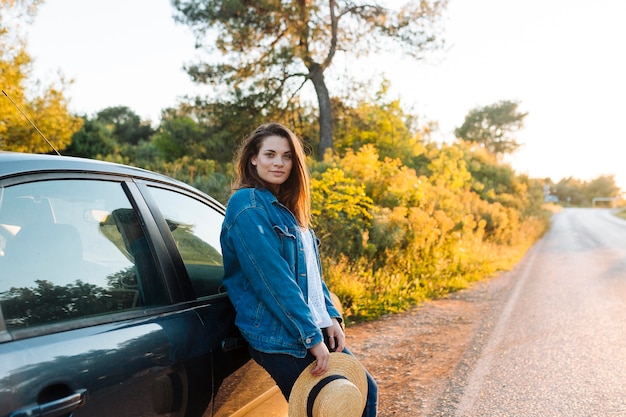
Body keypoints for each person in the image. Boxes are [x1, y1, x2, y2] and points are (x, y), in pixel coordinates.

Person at [220, 122, 378, 416]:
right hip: (283, 334)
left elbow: (310, 274)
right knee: (325, 408)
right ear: (253, 158)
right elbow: (274, 280)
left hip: (310, 325)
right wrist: (311, 337)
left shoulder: (287, 208)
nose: (279, 163)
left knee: (363, 393)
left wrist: (329, 315)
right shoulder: (248, 204)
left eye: (287, 156)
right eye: (270, 154)